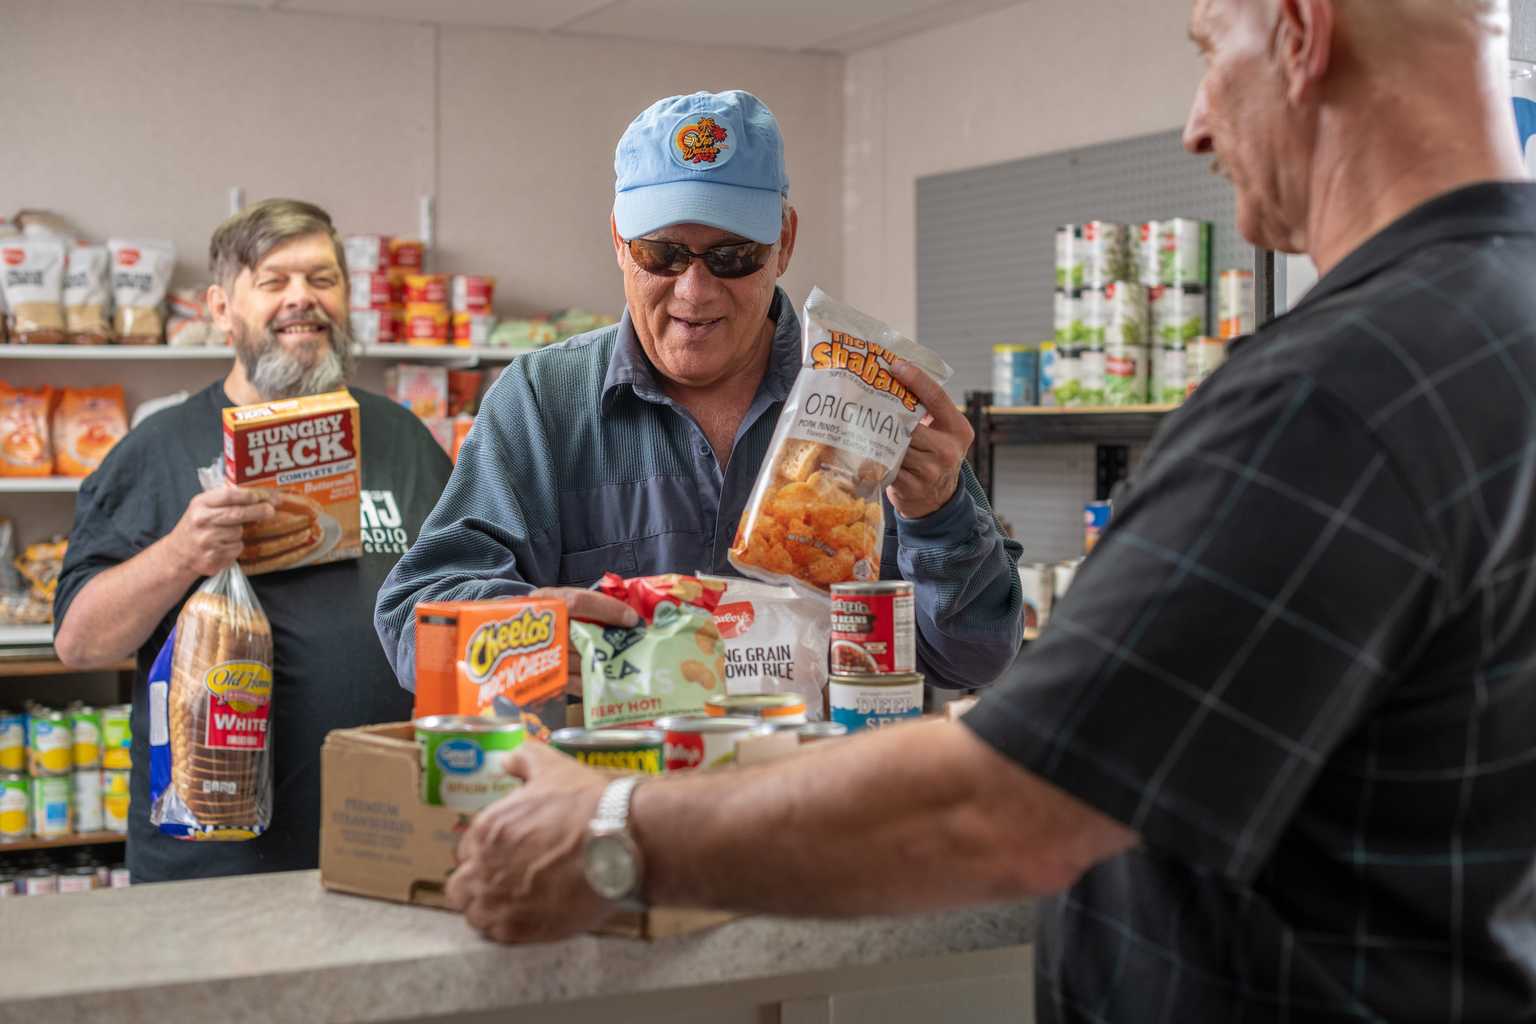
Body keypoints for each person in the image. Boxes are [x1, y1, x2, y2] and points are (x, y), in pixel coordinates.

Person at [442, 3, 1536, 1021]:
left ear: (1300, 31)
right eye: (662, 254)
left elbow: (1016, 789)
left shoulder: (1333, 391)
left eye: (1209, 51)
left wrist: (613, 835)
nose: (1199, 125)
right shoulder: (1497, 323)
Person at [374, 90, 1025, 702]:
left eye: (734, 255)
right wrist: (531, 627)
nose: (695, 291)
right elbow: (416, 623)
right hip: (610, 802)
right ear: (619, 245)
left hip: (818, 806)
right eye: (662, 254)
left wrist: (939, 516)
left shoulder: (870, 397)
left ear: (784, 244)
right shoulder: (544, 402)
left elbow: (973, 659)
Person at [54, 199, 452, 882]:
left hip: (388, 838)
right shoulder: (158, 448)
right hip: (213, 859)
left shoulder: (403, 437)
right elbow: (80, 642)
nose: (304, 299)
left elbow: (462, 594)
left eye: (323, 279)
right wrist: (184, 551)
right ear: (221, 309)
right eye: (274, 282)